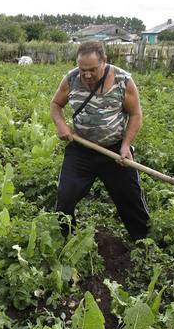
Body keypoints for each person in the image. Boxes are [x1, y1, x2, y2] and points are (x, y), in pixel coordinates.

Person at [50, 40, 149, 241]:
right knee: (65, 197)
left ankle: (143, 241)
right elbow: (55, 104)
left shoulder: (123, 80)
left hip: (114, 152)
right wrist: (61, 125)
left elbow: (136, 115)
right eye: (82, 69)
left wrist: (125, 145)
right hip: (81, 150)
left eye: (92, 69)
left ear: (104, 61)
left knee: (130, 199)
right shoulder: (70, 79)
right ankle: (67, 239)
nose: (86, 75)